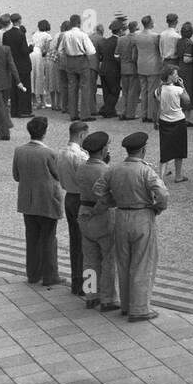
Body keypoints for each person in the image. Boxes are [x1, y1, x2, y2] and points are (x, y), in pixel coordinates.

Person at [94, 131, 168, 323]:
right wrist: (157, 208)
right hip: (142, 215)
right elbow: (162, 194)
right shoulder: (146, 170)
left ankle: (125, 305)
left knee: (124, 263)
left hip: (120, 215)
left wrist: (112, 200)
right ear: (143, 150)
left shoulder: (115, 169)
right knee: (142, 263)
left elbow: (98, 189)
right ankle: (140, 308)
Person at [12, 116, 64, 287]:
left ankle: (33, 274)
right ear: (45, 132)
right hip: (47, 201)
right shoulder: (49, 153)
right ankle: (50, 275)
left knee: (32, 238)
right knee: (49, 238)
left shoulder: (19, 150)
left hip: (28, 201)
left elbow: (16, 176)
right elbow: (59, 176)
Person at [75, 132, 118, 312]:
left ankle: (91, 295)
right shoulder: (106, 170)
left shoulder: (81, 168)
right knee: (108, 258)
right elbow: (110, 197)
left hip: (83, 212)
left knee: (89, 258)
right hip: (102, 216)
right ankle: (107, 297)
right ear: (103, 149)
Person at [53, 121, 90, 296]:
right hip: (80, 198)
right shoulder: (80, 156)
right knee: (86, 243)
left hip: (69, 196)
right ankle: (86, 285)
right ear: (82, 135)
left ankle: (76, 281)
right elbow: (87, 178)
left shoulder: (60, 153)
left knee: (74, 241)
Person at [156, 65, 190, 182]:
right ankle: (178, 176)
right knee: (179, 149)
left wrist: (156, 120)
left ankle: (160, 178)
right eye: (175, 74)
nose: (177, 76)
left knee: (164, 150)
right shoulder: (177, 90)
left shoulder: (159, 90)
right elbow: (187, 100)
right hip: (178, 121)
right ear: (170, 76)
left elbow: (158, 104)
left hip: (164, 121)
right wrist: (183, 86)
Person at [61, 14, 97, 122]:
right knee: (85, 87)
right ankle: (85, 114)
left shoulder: (65, 35)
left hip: (70, 61)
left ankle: (73, 113)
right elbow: (91, 51)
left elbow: (60, 50)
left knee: (72, 87)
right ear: (79, 23)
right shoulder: (83, 35)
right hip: (81, 60)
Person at [133, 16, 163, 125]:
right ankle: (151, 115)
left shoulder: (137, 36)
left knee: (144, 91)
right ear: (151, 23)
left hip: (141, 64)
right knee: (152, 91)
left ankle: (144, 114)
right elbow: (159, 50)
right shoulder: (155, 36)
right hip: (153, 66)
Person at [3, 15, 33, 118]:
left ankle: (14, 110)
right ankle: (24, 110)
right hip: (23, 64)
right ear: (19, 21)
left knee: (14, 88)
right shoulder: (21, 34)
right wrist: (31, 47)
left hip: (12, 64)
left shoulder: (6, 34)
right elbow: (24, 51)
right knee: (24, 88)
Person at [94, 20, 120, 118]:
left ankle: (110, 111)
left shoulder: (105, 41)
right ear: (120, 31)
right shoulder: (118, 41)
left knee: (106, 92)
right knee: (114, 92)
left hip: (103, 68)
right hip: (113, 70)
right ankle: (105, 109)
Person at [117, 20, 140, 120]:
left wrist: (121, 62)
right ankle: (130, 114)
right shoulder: (137, 39)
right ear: (135, 28)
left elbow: (116, 54)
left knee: (125, 92)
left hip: (123, 68)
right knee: (133, 93)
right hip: (133, 68)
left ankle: (123, 111)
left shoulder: (121, 39)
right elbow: (136, 55)